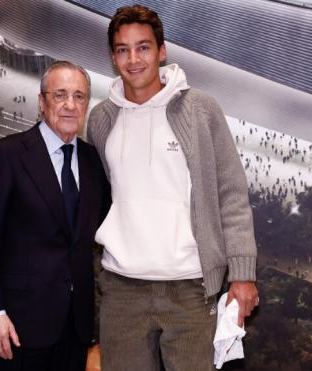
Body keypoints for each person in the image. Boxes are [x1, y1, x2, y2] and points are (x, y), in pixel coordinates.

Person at [87, 5, 258, 370]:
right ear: (113, 57)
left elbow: (231, 193)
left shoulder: (200, 109)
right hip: (121, 291)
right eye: (123, 49)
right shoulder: (101, 119)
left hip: (192, 291)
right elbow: (102, 198)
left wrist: (242, 274)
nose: (133, 59)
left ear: (162, 51)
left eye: (143, 47)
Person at [0, 61, 110, 371]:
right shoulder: (5, 156)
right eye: (60, 95)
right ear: (42, 101)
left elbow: (98, 227)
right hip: (17, 327)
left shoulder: (93, 162)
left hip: (75, 327)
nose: (70, 105)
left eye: (79, 96)